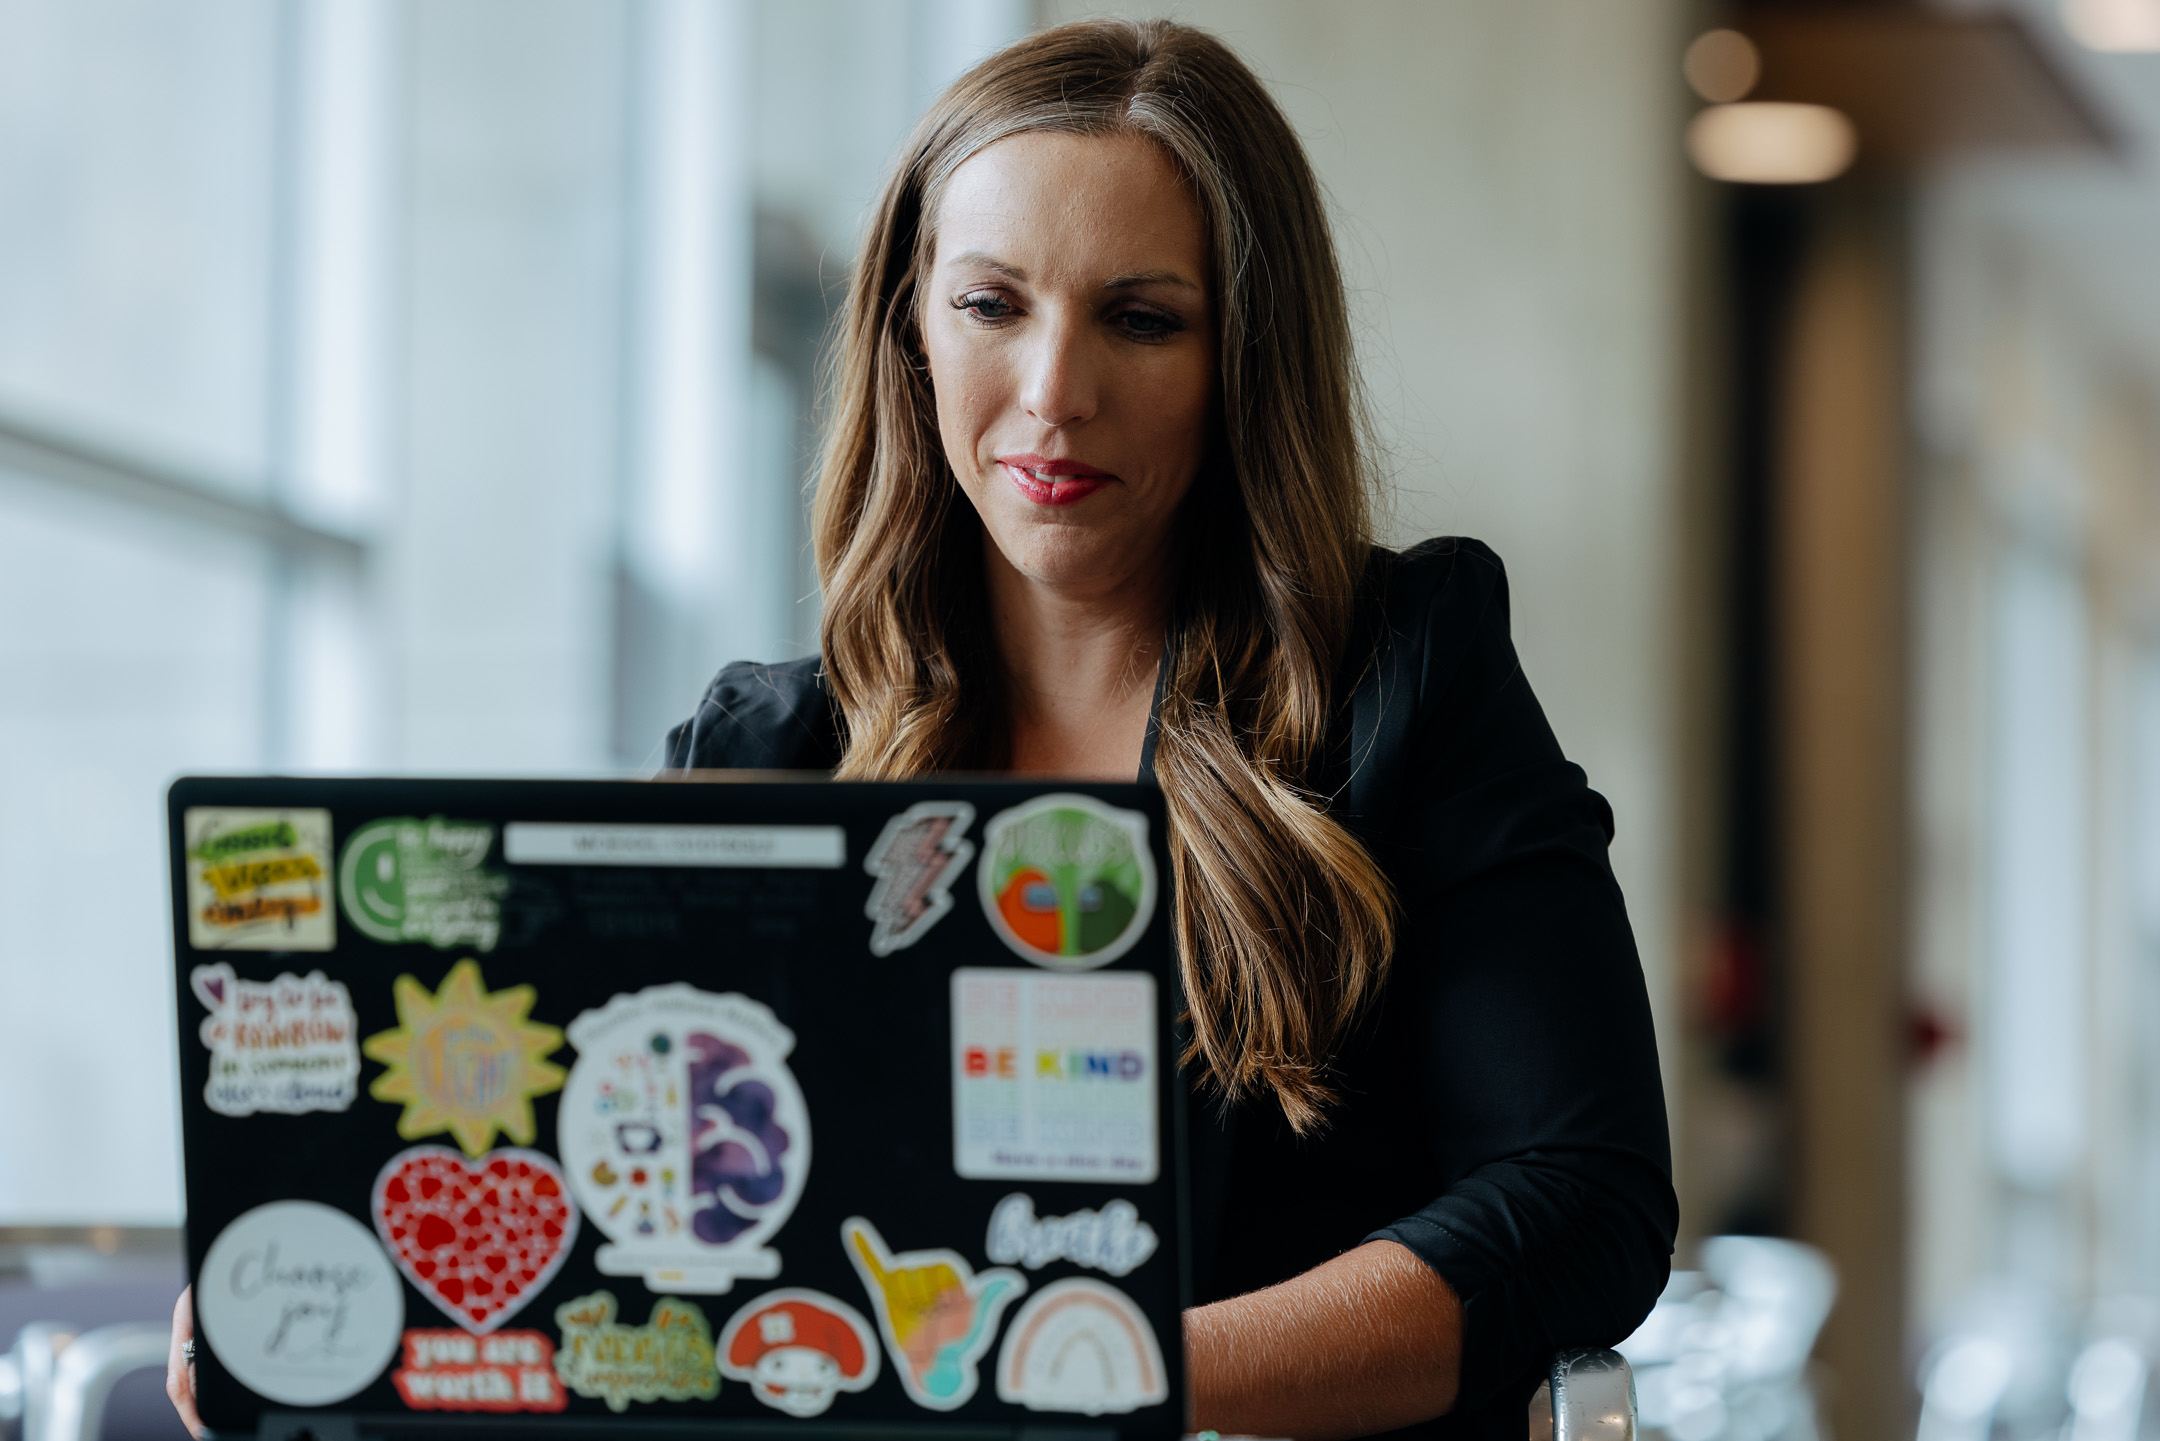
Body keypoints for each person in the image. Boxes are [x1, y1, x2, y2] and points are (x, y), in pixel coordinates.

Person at [171, 18, 1672, 1441]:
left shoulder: (1408, 678)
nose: (1053, 391)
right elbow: (601, 1209)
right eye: (991, 304)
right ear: (911, 331)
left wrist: (1106, 1380)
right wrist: (323, 1291)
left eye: (1142, 319)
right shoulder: (766, 750)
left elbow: (1581, 1199)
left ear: (1242, 365)